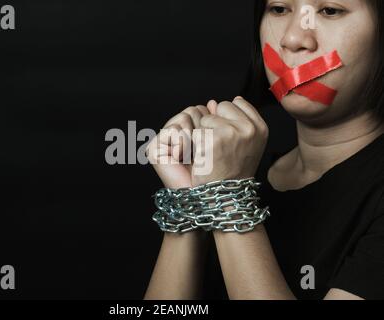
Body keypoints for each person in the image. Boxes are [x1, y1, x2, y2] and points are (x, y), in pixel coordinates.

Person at [144, 0, 384, 300]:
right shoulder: (236, 169)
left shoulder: (232, 181)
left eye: (330, 10)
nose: (293, 39)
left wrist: (230, 199)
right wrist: (190, 201)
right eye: (279, 9)